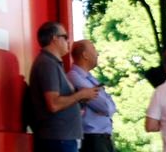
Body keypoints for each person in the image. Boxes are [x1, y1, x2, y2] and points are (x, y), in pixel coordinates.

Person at [29, 22, 100, 152]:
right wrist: (81, 94)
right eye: (65, 37)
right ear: (54, 38)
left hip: (61, 138)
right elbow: (53, 104)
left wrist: (80, 99)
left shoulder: (52, 63)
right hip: (58, 139)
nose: (68, 41)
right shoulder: (47, 64)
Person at [68, 40, 117, 152]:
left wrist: (107, 105)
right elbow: (105, 106)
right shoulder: (74, 77)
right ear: (85, 55)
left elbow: (111, 106)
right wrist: (107, 104)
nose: (97, 54)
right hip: (92, 140)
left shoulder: (90, 78)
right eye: (94, 49)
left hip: (103, 139)